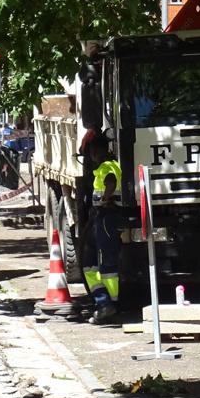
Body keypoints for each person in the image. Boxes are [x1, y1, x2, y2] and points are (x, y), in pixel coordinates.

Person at [81, 132, 124, 325]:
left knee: (106, 265)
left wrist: (106, 200)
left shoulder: (107, 167)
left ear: (96, 151)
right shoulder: (109, 165)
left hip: (106, 218)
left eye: (91, 152)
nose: (91, 157)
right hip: (100, 218)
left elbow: (110, 182)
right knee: (92, 264)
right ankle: (106, 304)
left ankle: (106, 304)